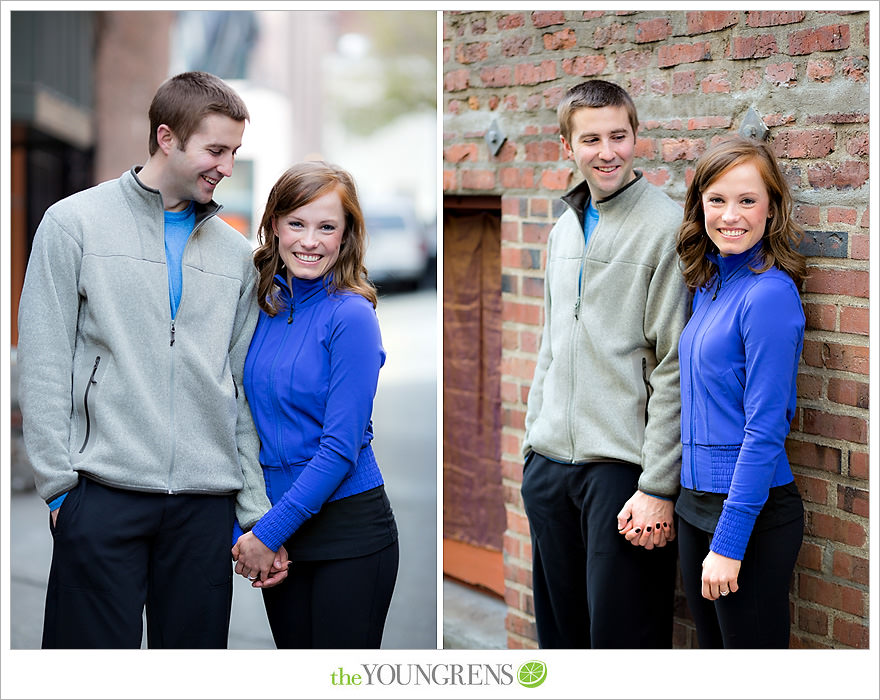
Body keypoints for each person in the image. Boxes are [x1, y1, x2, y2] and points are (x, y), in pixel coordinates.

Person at [17, 71, 283, 649]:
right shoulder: (72, 224)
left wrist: (252, 508)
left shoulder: (239, 256)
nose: (227, 166)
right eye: (215, 150)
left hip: (203, 507)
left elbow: (240, 388)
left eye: (235, 151)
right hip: (101, 493)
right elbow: (42, 361)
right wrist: (60, 489)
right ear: (167, 137)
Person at [520, 79, 690, 648]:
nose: (607, 150)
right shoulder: (564, 227)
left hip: (622, 473)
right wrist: (531, 447)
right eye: (591, 138)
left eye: (619, 135)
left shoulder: (665, 229)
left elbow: (673, 366)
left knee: (623, 644)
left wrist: (659, 485)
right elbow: (550, 344)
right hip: (549, 469)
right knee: (561, 641)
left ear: (636, 137)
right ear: (566, 146)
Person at [231, 161, 399, 649]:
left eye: (327, 226)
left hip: (348, 534)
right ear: (274, 225)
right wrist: (255, 526)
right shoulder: (261, 304)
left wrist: (267, 533)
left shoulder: (351, 316)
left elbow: (340, 447)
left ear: (346, 236)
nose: (310, 240)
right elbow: (238, 420)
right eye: (297, 223)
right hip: (278, 533)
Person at [675, 135, 806, 648]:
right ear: (700, 205)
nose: (731, 215)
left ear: (771, 210)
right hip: (694, 504)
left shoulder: (770, 295)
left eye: (748, 200)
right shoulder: (708, 285)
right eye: (717, 200)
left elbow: (767, 428)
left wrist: (730, 542)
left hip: (749, 510)